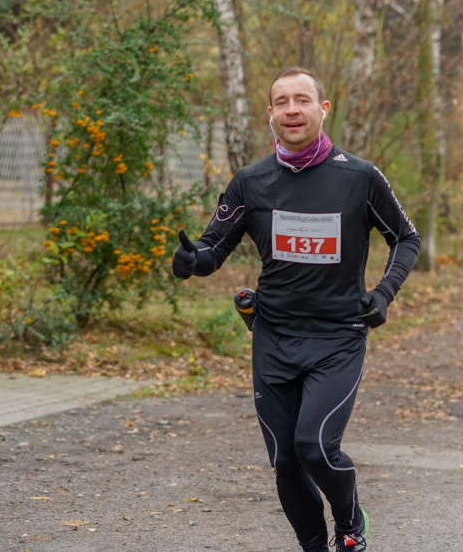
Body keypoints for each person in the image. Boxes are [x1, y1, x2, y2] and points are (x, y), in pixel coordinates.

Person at [172, 67, 420, 552]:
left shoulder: (359, 177)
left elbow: (406, 238)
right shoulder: (252, 181)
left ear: (322, 109)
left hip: (337, 337)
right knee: (286, 461)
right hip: (274, 337)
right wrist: (189, 262)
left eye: (302, 100)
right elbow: (211, 251)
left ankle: (349, 524)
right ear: (270, 114)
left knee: (314, 447)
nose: (292, 110)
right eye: (282, 102)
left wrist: (384, 293)